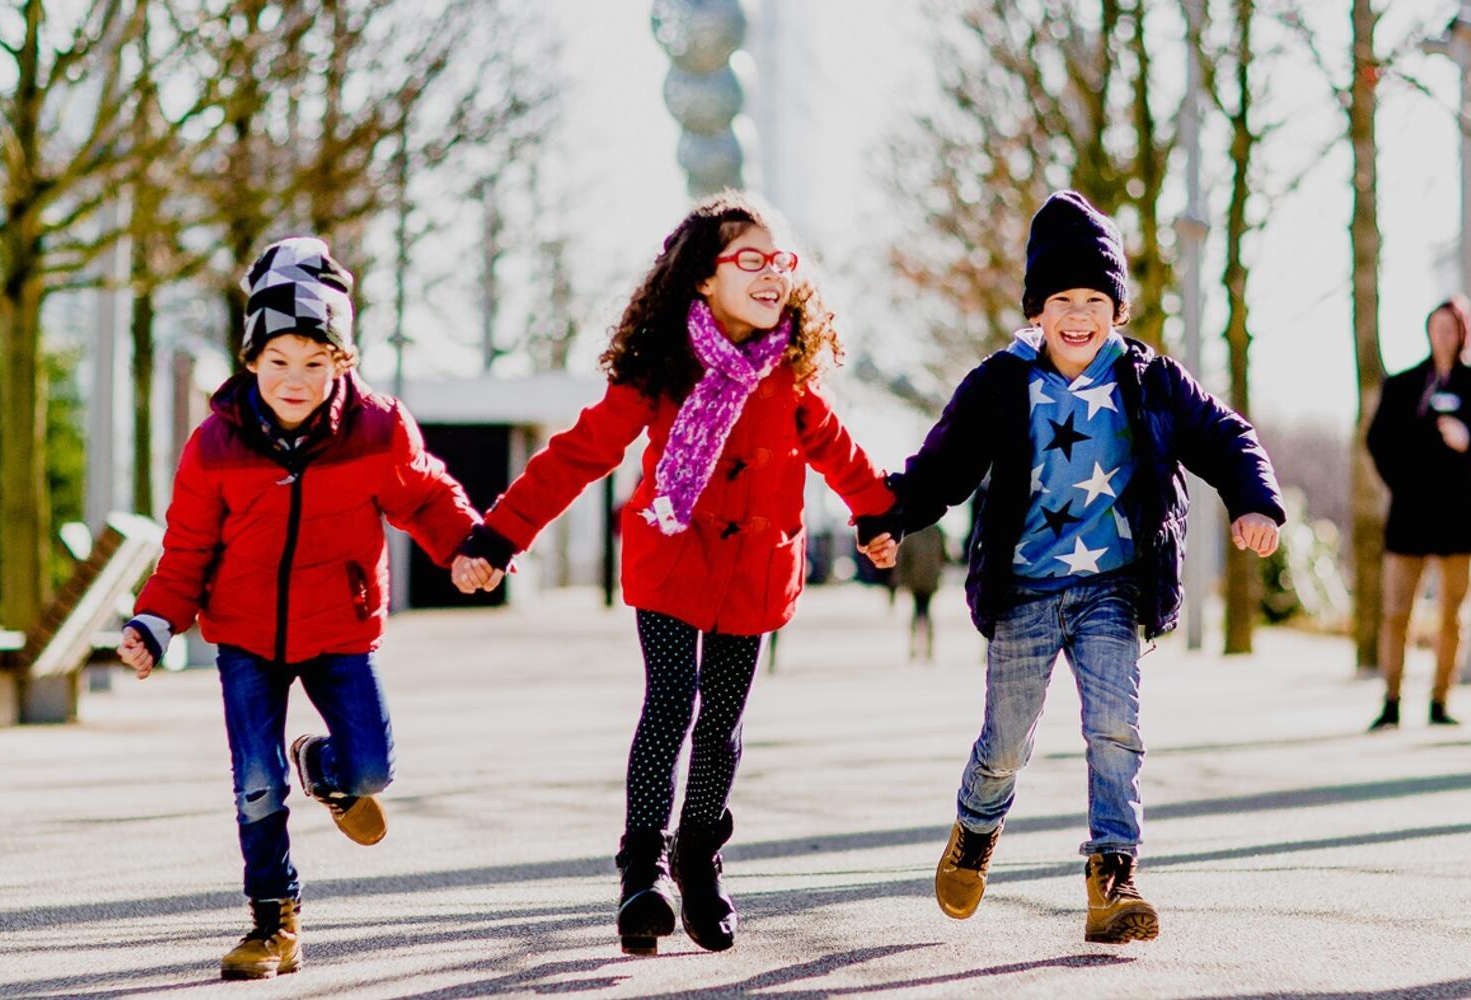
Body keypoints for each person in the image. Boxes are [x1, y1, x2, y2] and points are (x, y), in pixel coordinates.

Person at [448, 193, 898, 956]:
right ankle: (641, 872)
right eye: (749, 260)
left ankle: (699, 854)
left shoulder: (790, 378)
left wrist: (877, 516)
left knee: (721, 726)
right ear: (702, 279)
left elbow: (842, 453)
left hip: (756, 571)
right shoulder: (662, 371)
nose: (771, 275)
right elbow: (578, 454)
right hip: (674, 558)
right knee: (669, 703)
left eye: (781, 261)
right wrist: (497, 536)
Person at [866, 191, 1284, 946]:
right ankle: (975, 827)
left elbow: (1224, 435)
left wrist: (1255, 502)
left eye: (1096, 299)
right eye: (1063, 300)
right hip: (1025, 586)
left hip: (1114, 586)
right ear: (1037, 309)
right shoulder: (1003, 381)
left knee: (1115, 727)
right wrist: (890, 518)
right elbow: (942, 466)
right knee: (1006, 740)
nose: (1079, 315)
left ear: (1117, 310)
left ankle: (1113, 874)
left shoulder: (1150, 379)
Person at [113, 238, 483, 980]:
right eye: (279, 362)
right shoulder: (215, 445)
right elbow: (186, 549)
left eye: (316, 363)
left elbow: (425, 496)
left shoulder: (377, 428)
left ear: (342, 362)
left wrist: (467, 545)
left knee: (373, 769)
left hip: (339, 629)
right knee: (255, 779)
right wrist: (153, 623)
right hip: (245, 635)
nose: (296, 379)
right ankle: (271, 924)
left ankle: (326, 766)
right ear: (251, 360)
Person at [1365, 298, 1471, 729]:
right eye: (1436, 328)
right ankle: (1391, 701)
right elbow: (1376, 441)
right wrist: (1401, 480)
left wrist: (1469, 438)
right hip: (1410, 513)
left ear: (1464, 332)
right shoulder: (1404, 384)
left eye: (1451, 329)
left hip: (1460, 516)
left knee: (1453, 614)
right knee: (1396, 612)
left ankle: (1440, 702)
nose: (1443, 336)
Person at [895, 523, 950, 662]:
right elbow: (944, 555)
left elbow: (903, 556)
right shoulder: (937, 530)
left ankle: (914, 648)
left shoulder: (910, 531)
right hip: (931, 579)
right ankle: (928, 649)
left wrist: (901, 578)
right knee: (927, 613)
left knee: (917, 613)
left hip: (915, 579)